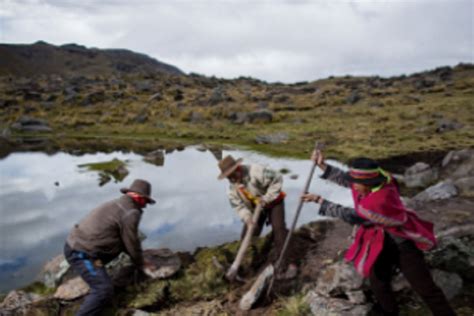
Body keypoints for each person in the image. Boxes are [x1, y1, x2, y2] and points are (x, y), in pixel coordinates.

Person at [301, 150, 455, 316]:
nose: (353, 186)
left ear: (367, 184)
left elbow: (353, 216)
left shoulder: (379, 199)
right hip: (379, 240)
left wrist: (320, 201)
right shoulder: (376, 181)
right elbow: (348, 180)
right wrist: (322, 165)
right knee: (378, 283)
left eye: (356, 184)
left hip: (402, 243)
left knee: (425, 288)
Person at [64, 179, 156, 316]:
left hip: (82, 248)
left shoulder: (118, 204)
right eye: (145, 201)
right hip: (82, 253)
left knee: (102, 275)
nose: (145, 206)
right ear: (137, 196)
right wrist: (141, 264)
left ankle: (95, 277)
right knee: (103, 290)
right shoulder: (131, 212)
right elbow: (131, 242)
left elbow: (124, 241)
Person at [218, 155, 297, 279]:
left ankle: (289, 265)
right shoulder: (231, 189)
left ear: (238, 168)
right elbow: (239, 207)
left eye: (233, 175)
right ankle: (243, 267)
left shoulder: (256, 171)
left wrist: (266, 198)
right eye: (229, 177)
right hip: (256, 208)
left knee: (279, 229)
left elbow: (277, 178)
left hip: (273, 200)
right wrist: (247, 218)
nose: (232, 179)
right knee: (246, 235)